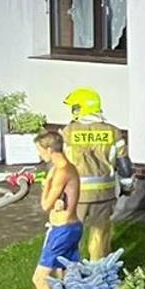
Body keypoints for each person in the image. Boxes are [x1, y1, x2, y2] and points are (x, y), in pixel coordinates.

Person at [61, 87, 130, 261]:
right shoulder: (113, 132)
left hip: (77, 193)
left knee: (70, 232)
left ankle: (70, 270)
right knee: (100, 234)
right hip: (104, 193)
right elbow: (124, 163)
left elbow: (61, 163)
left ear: (79, 108)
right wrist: (127, 185)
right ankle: (98, 270)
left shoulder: (69, 132)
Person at [32, 130, 82, 289]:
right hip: (69, 227)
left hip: (63, 230)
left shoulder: (61, 172)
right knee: (70, 275)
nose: (39, 154)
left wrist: (46, 186)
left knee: (40, 278)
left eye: (40, 150)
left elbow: (45, 204)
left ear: (50, 149)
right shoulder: (65, 168)